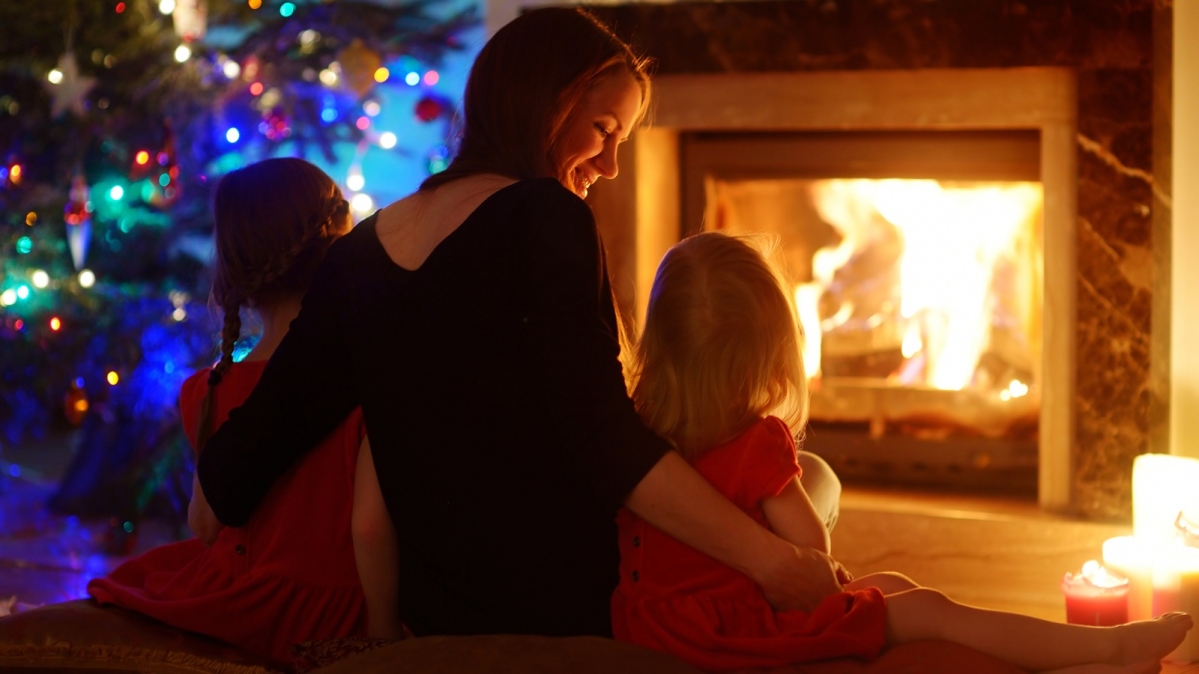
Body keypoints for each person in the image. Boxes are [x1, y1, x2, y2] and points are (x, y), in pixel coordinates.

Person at [190, 6, 848, 641]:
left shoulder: (358, 255)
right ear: (551, 102)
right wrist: (775, 564)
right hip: (576, 595)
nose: (611, 164)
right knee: (809, 476)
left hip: (439, 607)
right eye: (603, 129)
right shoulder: (544, 215)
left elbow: (245, 456)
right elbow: (605, 440)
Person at [612, 231, 1193, 674]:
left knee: (887, 584)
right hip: (739, 637)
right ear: (769, 356)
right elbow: (812, 550)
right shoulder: (756, 443)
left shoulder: (638, 434)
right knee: (931, 610)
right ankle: (1103, 645)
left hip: (655, 631)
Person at [88, 158, 403, 665]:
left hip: (234, 596)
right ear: (339, 246)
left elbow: (204, 524)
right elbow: (370, 528)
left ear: (236, 271)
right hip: (332, 611)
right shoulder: (368, 379)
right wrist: (387, 633)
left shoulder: (205, 389)